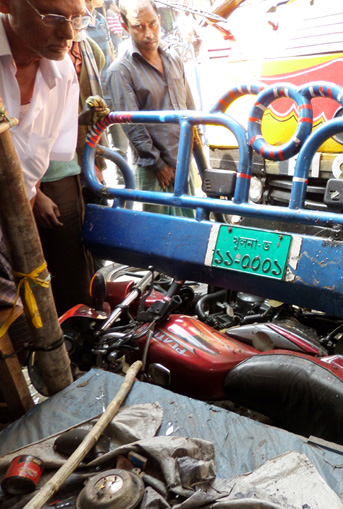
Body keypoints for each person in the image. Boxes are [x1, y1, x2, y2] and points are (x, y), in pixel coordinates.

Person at [0, 0, 86, 335]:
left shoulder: (62, 73)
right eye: (52, 17)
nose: (68, 33)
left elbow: (38, 160)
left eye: (76, 19)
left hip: (19, 229)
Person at [33, 31, 105, 315]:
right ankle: (72, 324)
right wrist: (36, 193)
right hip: (45, 183)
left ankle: (84, 318)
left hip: (69, 172)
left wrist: (82, 120)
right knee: (61, 264)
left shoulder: (68, 61)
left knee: (77, 257)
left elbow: (55, 128)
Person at [105, 0, 197, 217]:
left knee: (191, 228)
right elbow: (132, 125)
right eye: (139, 26)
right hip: (154, 171)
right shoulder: (120, 71)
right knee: (158, 232)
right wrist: (158, 165)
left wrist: (192, 147)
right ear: (125, 26)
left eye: (153, 24)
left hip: (183, 161)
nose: (148, 33)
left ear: (160, 20)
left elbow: (189, 106)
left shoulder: (173, 58)